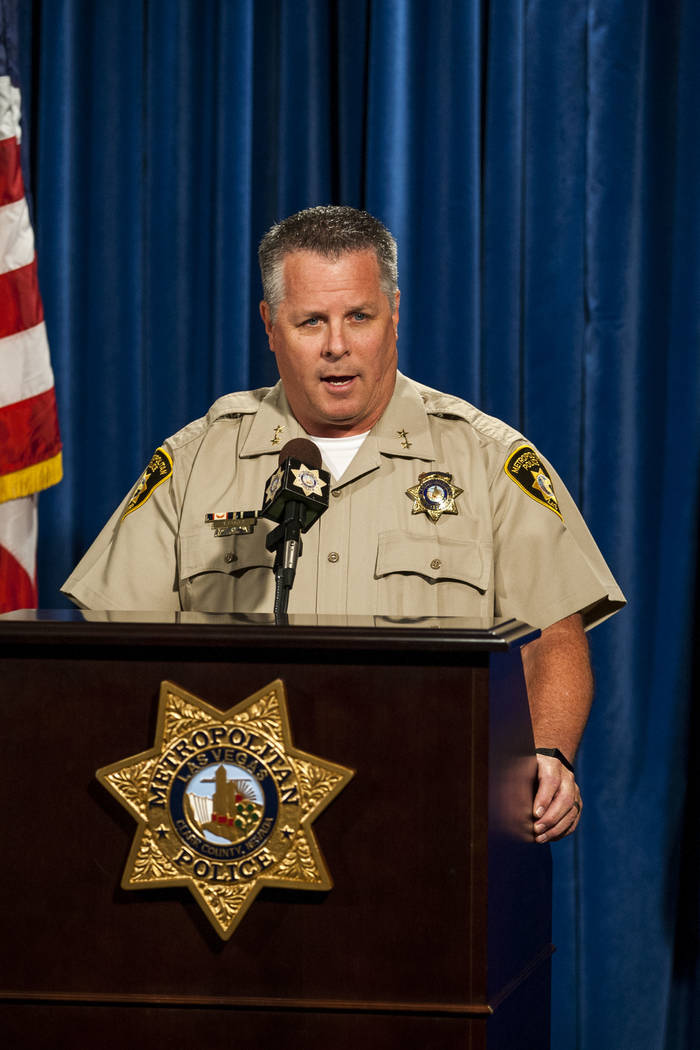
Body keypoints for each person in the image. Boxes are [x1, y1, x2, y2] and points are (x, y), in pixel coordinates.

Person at [62, 205, 625, 844]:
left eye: (359, 316)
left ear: (394, 314)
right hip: (236, 826)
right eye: (311, 321)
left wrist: (550, 755)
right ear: (270, 326)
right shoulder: (195, 463)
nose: (337, 345)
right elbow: (111, 654)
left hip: (433, 816)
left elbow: (553, 640)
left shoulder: (488, 459)